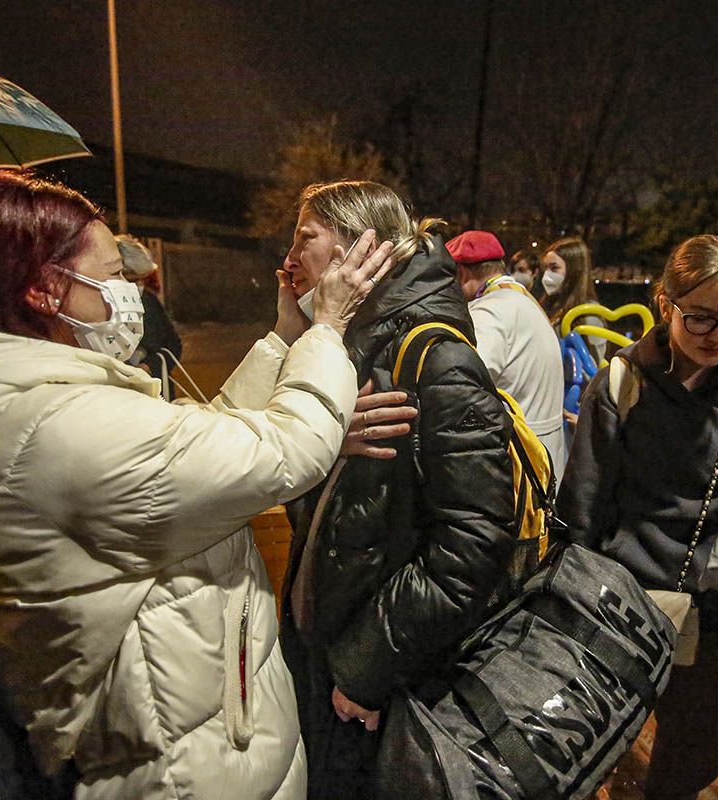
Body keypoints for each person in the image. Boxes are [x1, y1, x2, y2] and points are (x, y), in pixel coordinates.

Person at [0, 170, 393, 798]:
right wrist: (325, 329)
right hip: (175, 772)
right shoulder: (47, 428)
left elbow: (195, 440)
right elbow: (275, 452)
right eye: (112, 276)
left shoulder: (33, 404)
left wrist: (284, 340)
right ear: (47, 290)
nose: (131, 291)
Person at [277, 180, 517, 799]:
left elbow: (471, 546)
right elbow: (310, 505)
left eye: (306, 238)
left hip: (380, 680)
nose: (289, 257)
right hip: (328, 647)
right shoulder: (347, 346)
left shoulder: (437, 361)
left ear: (363, 246)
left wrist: (365, 670)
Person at [556, 234, 718, 800]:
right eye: (700, 318)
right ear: (666, 303)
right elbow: (583, 506)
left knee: (685, 763)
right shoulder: (622, 383)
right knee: (592, 746)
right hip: (617, 604)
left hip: (713, 613)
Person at [448, 229, 566, 470]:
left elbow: (463, 384)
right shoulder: (522, 299)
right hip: (544, 452)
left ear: (461, 273)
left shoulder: (489, 311)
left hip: (521, 461)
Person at [114, 234, 185, 398]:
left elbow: (173, 344)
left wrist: (149, 366)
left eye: (142, 280)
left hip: (158, 394)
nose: (138, 286)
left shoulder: (148, 300)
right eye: (132, 280)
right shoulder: (98, 311)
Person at [539, 236, 608, 362]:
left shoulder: (590, 315)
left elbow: (593, 368)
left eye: (554, 268)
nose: (547, 275)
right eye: (546, 268)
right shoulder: (549, 306)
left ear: (574, 270)